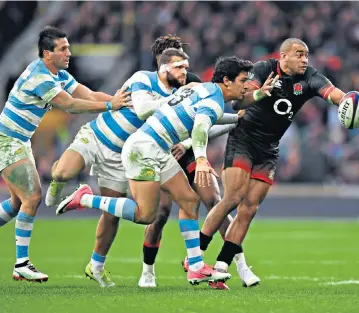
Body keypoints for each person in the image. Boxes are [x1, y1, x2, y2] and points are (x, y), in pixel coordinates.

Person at [56, 56, 254, 286]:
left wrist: (238, 116)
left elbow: (210, 117)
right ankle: (86, 198)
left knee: (190, 201)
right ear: (227, 81)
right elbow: (201, 127)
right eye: (243, 81)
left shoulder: (205, 90)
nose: (247, 86)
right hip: (143, 150)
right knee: (146, 215)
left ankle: (197, 267)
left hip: (157, 148)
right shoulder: (212, 99)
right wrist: (200, 159)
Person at [0, 26, 130, 282]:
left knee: (19, 202)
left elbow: (86, 94)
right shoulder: (40, 77)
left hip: (18, 141)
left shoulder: (59, 74)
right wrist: (109, 105)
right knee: (33, 196)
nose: (68, 53)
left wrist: (120, 103)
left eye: (68, 48)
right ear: (46, 53)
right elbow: (70, 105)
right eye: (63, 49)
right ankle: (21, 263)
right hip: (4, 140)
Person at [198, 38, 359, 281]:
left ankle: (221, 267)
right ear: (284, 56)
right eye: (299, 54)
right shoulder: (263, 69)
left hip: (269, 148)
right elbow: (240, 101)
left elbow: (332, 92)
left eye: (307, 55)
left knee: (249, 209)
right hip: (244, 139)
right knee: (233, 198)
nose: (304, 59)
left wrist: (350, 101)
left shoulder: (310, 77)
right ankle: (195, 257)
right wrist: (260, 93)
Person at [45, 48, 192, 286]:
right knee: (64, 172)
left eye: (186, 67)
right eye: (180, 67)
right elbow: (144, 108)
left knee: (111, 215)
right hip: (97, 136)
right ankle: (56, 174)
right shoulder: (143, 78)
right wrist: (178, 99)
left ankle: (96, 266)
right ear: (164, 68)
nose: (185, 72)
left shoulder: (177, 94)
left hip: (120, 156)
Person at [138, 35, 244, 290]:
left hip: (187, 151)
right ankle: (148, 270)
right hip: (159, 151)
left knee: (214, 201)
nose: (180, 66)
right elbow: (142, 117)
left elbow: (205, 124)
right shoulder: (147, 86)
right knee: (161, 213)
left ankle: (234, 264)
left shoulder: (195, 84)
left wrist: (188, 145)